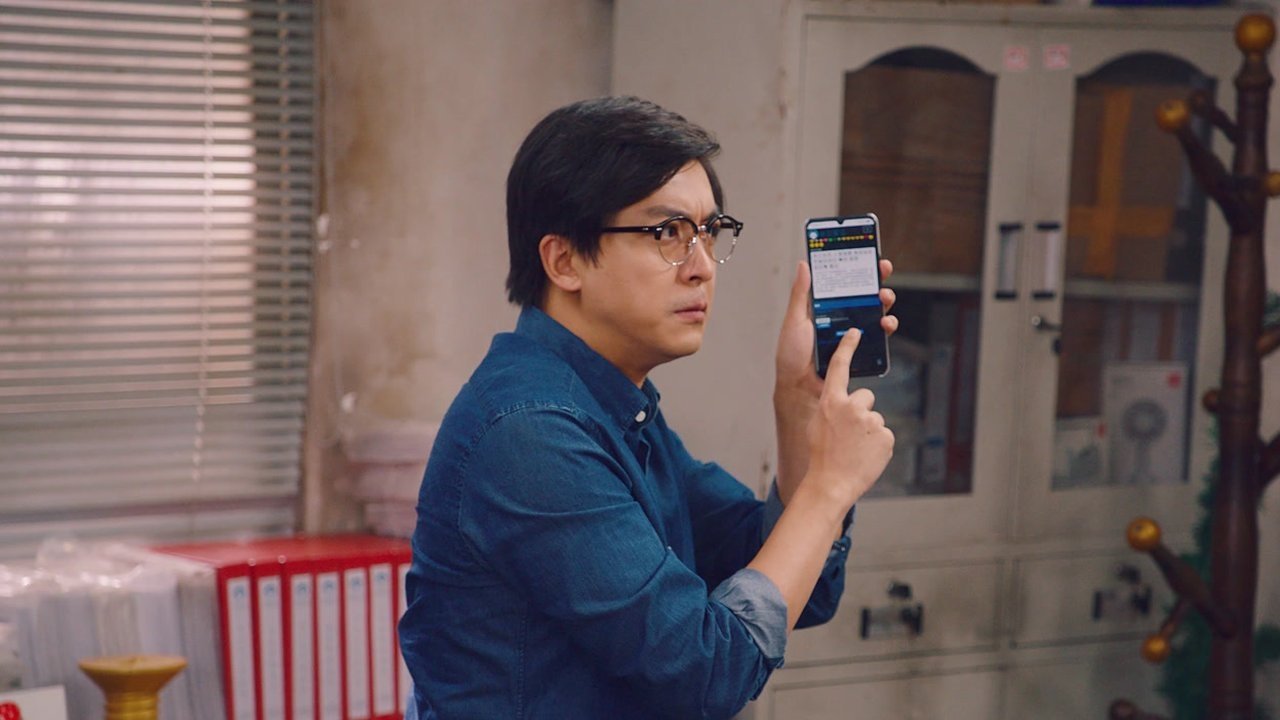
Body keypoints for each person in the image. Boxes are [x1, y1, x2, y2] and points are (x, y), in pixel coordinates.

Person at [399, 96, 898, 719]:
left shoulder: (614, 405)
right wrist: (828, 490)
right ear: (564, 261)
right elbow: (706, 671)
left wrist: (798, 401)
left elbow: (798, 583)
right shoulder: (531, 431)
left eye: (709, 232)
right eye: (668, 234)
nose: (702, 268)